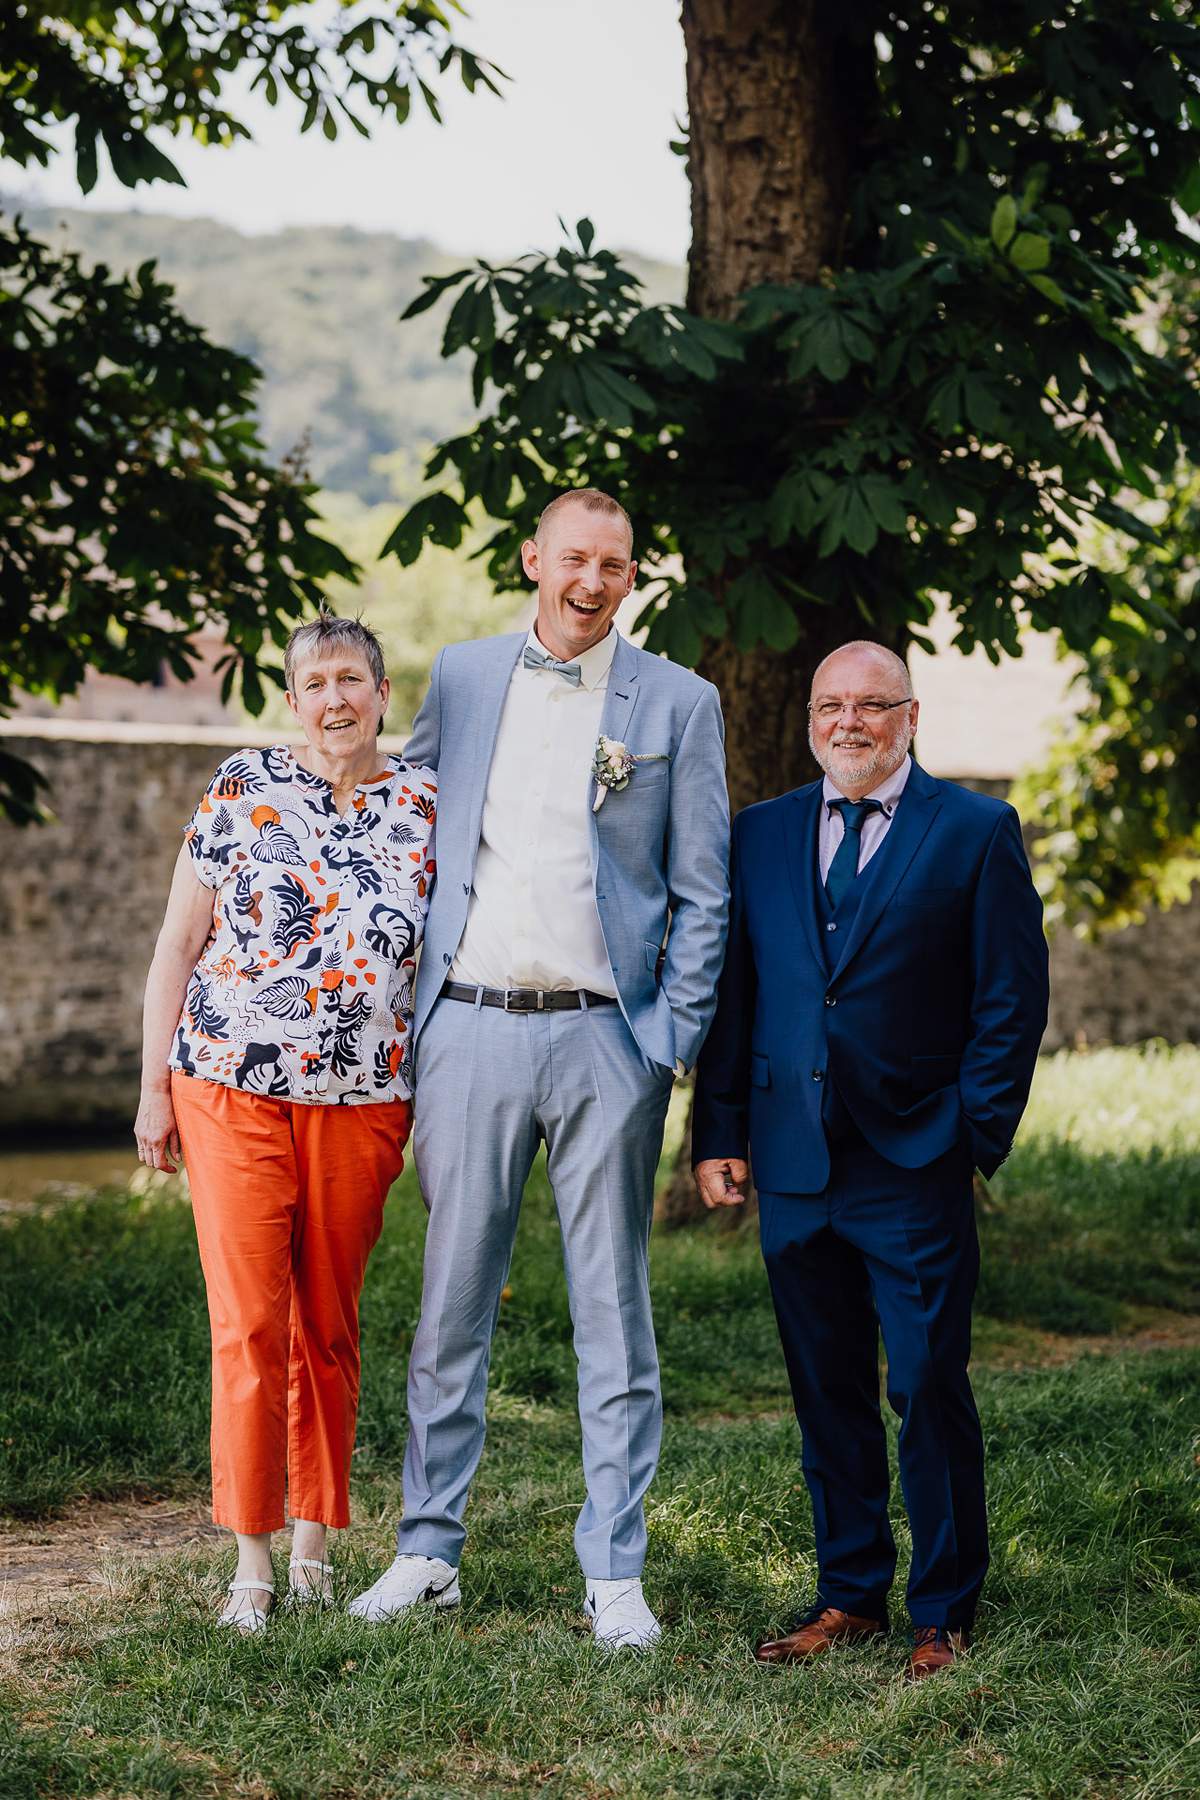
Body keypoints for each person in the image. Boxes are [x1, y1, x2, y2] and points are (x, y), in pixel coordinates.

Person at [348, 488, 730, 1649]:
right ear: (533, 559)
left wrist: (667, 1038)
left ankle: (615, 1573)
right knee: (450, 1303)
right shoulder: (462, 677)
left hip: (610, 1037)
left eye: (615, 564)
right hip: (465, 1028)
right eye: (575, 558)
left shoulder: (681, 700)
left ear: (629, 577)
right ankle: (428, 1551)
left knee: (613, 1310)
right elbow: (399, 823)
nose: (592, 580)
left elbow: (705, 892)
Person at [692, 640, 1048, 1681]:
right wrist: (719, 1132)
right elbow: (736, 995)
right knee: (825, 1386)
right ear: (810, 717)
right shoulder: (760, 833)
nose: (850, 722)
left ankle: (943, 1608)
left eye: (872, 706)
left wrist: (971, 1139)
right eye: (831, 705)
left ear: (911, 715)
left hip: (915, 1162)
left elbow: (1010, 1002)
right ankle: (850, 1593)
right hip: (794, 1161)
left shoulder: (976, 831)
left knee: (929, 1381)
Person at [135, 612, 436, 1631]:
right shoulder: (240, 788)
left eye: (353, 679)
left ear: (383, 694)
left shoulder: (424, 808)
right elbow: (177, 946)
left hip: (363, 1106)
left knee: (328, 1327)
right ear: (296, 698)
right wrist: (149, 1089)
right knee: (251, 1325)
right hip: (230, 1091)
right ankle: (251, 1568)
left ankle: (314, 1548)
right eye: (315, 683)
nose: (335, 699)